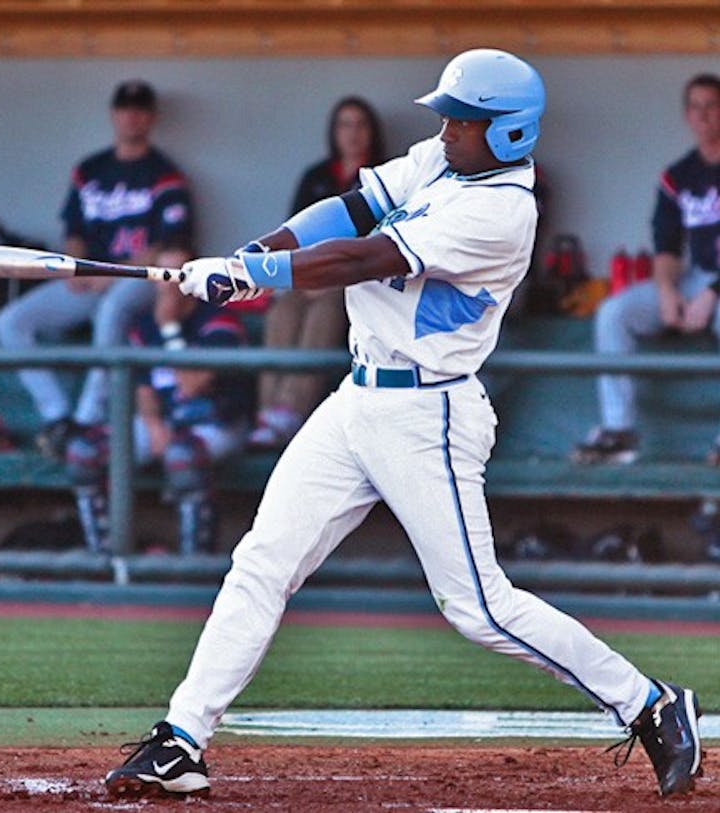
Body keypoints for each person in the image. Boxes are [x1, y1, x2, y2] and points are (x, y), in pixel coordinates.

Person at [103, 50, 703, 800]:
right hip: (357, 396)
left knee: (479, 607)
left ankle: (650, 703)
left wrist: (256, 278)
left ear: (509, 134)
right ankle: (181, 737)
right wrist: (255, 253)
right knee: (263, 559)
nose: (447, 127)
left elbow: (364, 254)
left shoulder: (502, 209)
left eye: (464, 118)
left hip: (430, 413)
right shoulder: (443, 160)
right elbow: (347, 210)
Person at [0, 79, 195, 461]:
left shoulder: (165, 174)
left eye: (139, 110)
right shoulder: (90, 170)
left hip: (139, 279)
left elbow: (169, 245)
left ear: (150, 118)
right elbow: (73, 233)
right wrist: (76, 267)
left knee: (112, 310)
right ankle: (57, 416)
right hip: (90, 277)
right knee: (10, 321)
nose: (131, 117)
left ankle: (86, 419)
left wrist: (111, 272)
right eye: (124, 108)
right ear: (113, 114)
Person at [572, 72, 720, 464]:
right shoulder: (679, 175)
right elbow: (667, 247)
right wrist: (669, 291)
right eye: (696, 107)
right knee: (614, 312)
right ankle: (620, 430)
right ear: (687, 115)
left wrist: (713, 293)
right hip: (696, 277)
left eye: (712, 106)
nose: (704, 116)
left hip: (715, 287)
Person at [65, 282, 250, 555]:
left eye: (175, 283)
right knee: (84, 452)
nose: (168, 292)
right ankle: (106, 563)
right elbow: (145, 388)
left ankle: (194, 570)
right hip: (168, 422)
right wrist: (152, 424)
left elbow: (190, 384)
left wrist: (170, 328)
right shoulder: (145, 326)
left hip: (218, 422)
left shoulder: (218, 320)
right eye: (162, 286)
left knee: (183, 457)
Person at [250, 96, 388, 449]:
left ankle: (290, 411)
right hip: (309, 276)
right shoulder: (316, 176)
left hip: (358, 285)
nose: (352, 133)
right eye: (345, 125)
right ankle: (268, 412)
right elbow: (293, 236)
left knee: (326, 308)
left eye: (360, 125)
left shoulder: (386, 176)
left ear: (372, 132)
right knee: (283, 309)